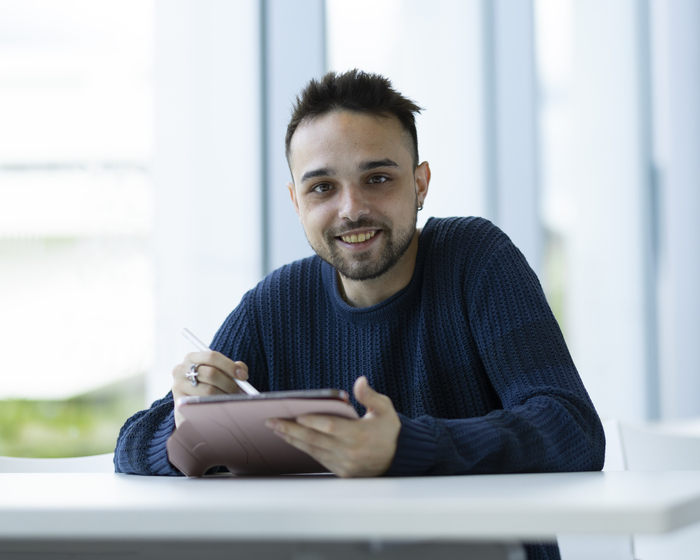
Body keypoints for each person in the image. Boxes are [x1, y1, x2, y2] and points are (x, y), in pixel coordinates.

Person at [115, 69, 605, 560]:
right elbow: (132, 445)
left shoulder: (475, 259)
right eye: (322, 188)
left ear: (420, 183)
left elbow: (573, 428)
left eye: (377, 179)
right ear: (296, 202)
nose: (352, 209)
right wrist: (188, 420)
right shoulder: (277, 302)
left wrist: (404, 446)